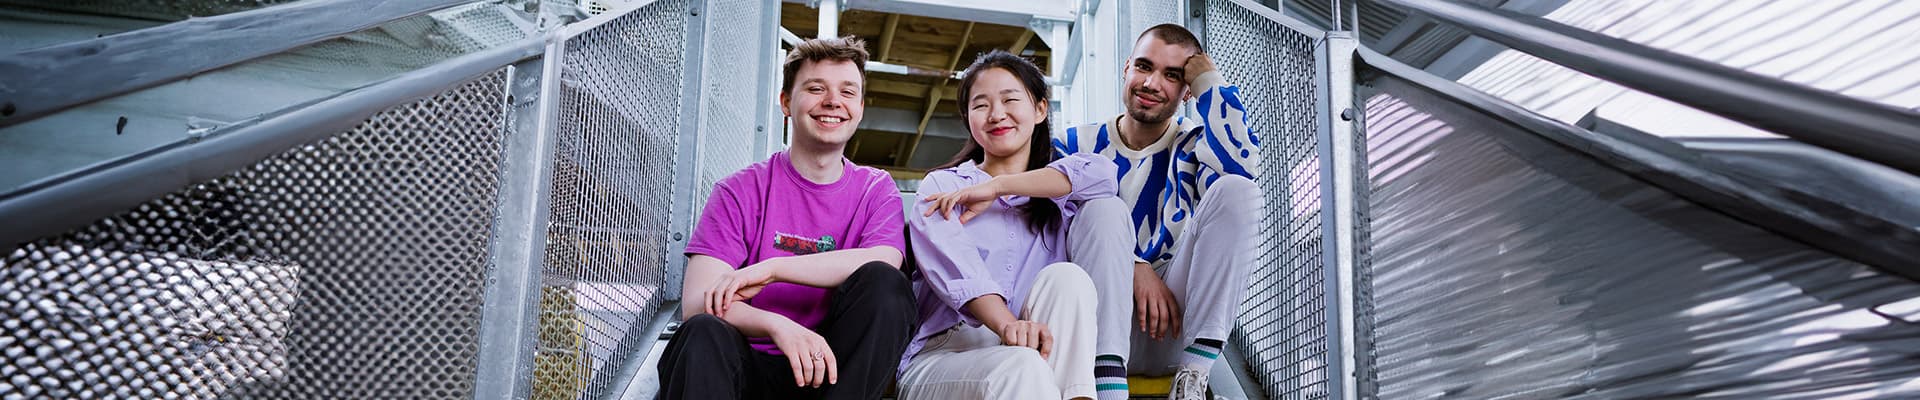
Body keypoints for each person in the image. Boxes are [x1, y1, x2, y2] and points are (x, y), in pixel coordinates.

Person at [655, 36, 916, 400]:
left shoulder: (876, 189)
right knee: (701, 331)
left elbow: (885, 258)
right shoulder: (739, 190)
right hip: (741, 369)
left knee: (886, 286)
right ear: (786, 102)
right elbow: (698, 301)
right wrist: (777, 326)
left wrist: (772, 269)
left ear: (859, 107)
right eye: (815, 88)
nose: (832, 102)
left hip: (829, 374)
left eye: (847, 91)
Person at [896, 50, 1135, 400]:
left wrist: (999, 185)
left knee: (1068, 279)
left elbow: (1102, 176)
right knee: (1022, 367)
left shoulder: (1058, 196)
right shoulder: (943, 187)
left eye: (1010, 99)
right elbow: (963, 271)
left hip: (1037, 356)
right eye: (981, 105)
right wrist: (1008, 326)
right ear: (968, 119)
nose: (996, 114)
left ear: (1040, 110)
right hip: (947, 356)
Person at [1052, 23, 1264, 400]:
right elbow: (1049, 227)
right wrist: (1134, 264)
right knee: (1101, 208)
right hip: (1092, 329)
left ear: (1185, 92)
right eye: (1144, 67)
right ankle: (1107, 387)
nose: (1152, 84)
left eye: (1173, 75)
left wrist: (1208, 83)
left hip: (1172, 327)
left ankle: (1194, 378)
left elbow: (1243, 175)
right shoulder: (1073, 145)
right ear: (1126, 68)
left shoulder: (1195, 147)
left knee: (1237, 190)